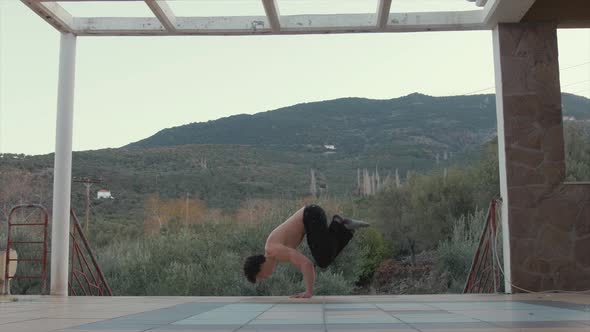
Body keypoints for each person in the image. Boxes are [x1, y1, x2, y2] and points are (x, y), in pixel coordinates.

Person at [243, 204, 369, 298]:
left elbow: (306, 264)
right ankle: (343, 226)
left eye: (261, 276)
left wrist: (308, 292)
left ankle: (340, 225)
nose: (265, 277)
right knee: (324, 259)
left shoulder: (274, 251)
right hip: (311, 215)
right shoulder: (273, 251)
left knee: (323, 259)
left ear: (260, 266)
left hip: (310, 215)